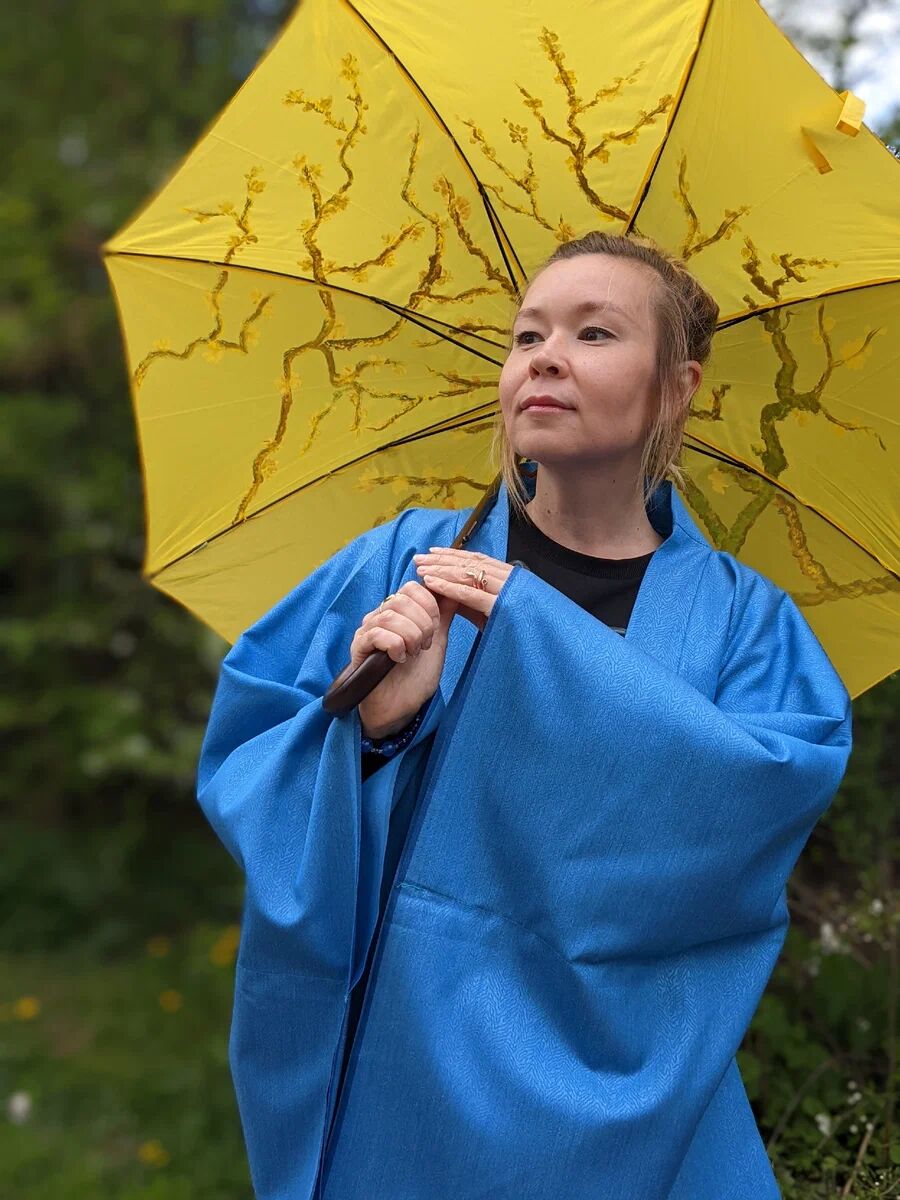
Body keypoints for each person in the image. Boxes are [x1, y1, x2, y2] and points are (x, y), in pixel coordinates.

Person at [196, 232, 852, 1200]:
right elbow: (254, 757)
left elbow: (750, 803)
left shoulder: (747, 623)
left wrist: (534, 632)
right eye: (527, 335)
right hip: (407, 1066)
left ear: (676, 389)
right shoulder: (406, 564)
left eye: (594, 333)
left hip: (638, 1088)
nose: (544, 357)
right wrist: (374, 732)